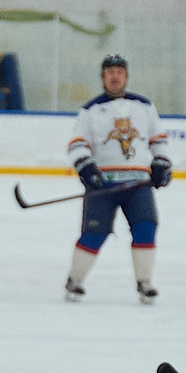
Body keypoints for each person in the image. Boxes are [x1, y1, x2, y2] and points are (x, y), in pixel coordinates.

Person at [62, 52, 170, 303]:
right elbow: (77, 144)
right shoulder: (91, 110)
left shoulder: (144, 107)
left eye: (119, 72)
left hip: (138, 183)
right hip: (104, 185)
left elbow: (158, 140)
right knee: (94, 233)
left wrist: (162, 163)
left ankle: (145, 283)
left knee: (146, 227)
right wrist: (87, 169)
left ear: (126, 77)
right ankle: (75, 280)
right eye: (110, 73)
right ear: (103, 77)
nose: (115, 77)